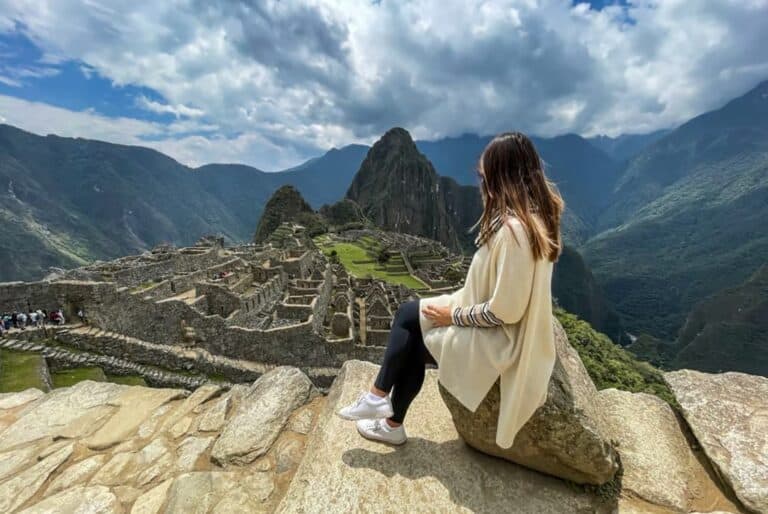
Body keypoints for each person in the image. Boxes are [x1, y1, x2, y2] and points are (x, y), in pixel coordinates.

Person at [336, 132, 563, 447]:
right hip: (497, 327)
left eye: (485, 177)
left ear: (501, 178)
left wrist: (452, 316)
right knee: (408, 313)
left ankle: (386, 413)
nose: (482, 185)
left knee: (412, 339)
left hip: (501, 342)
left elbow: (506, 311)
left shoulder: (514, 232)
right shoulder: (533, 220)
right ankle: (382, 407)